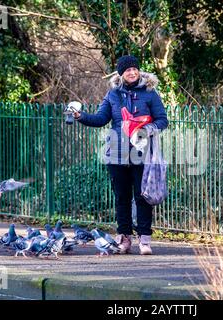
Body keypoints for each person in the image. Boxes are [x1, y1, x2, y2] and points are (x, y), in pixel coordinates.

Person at [72, 55, 168, 255]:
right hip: (116, 154)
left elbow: (162, 120)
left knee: (143, 198)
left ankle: (144, 240)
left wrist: (147, 130)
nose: (132, 73)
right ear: (121, 74)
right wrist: (80, 117)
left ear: (139, 71)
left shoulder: (150, 93)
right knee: (121, 198)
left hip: (142, 154)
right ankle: (124, 239)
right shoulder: (113, 95)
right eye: (127, 70)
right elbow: (100, 119)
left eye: (135, 69)